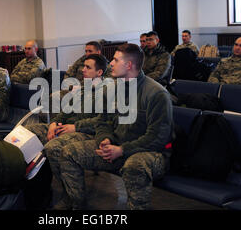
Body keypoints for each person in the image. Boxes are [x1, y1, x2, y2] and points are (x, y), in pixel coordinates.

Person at [53, 43, 173, 210]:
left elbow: (157, 138)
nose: (110, 63)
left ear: (129, 65)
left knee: (134, 166)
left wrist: (122, 150)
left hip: (149, 153)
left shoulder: (156, 94)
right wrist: (105, 139)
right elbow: (102, 121)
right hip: (116, 148)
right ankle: (75, 204)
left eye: (116, 60)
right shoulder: (114, 88)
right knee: (68, 153)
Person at [24, 54, 108, 208]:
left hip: (88, 133)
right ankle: (37, 188)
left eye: (88, 67)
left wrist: (75, 127)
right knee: (29, 132)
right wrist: (53, 123)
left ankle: (74, 199)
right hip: (68, 128)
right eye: (83, 66)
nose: (83, 70)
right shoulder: (83, 88)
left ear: (99, 73)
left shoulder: (105, 92)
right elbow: (65, 111)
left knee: (53, 147)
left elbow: (102, 122)